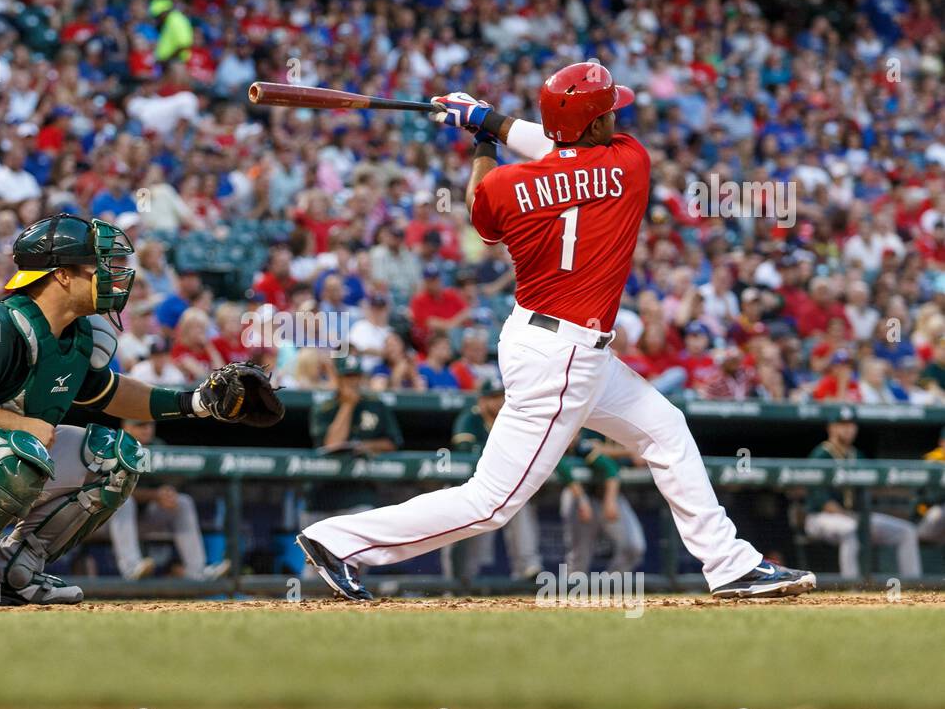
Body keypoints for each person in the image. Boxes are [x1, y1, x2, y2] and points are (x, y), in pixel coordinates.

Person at [295, 62, 815, 601]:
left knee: (666, 431)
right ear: (592, 127)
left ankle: (729, 564)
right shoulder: (630, 162)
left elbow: (488, 205)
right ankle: (339, 541)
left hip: (543, 339)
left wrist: (482, 142)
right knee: (491, 502)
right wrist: (487, 119)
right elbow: (560, 152)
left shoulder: (506, 184)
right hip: (563, 356)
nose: (616, 117)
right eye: (608, 111)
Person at [0, 215, 280, 605]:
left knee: (117, 458)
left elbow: (110, 393)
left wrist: (196, 402)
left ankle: (13, 573)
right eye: (97, 265)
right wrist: (21, 423)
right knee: (19, 450)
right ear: (62, 274)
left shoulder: (77, 331)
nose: (112, 275)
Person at [106, 418, 231, 581]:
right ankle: (131, 568)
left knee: (183, 502)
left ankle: (197, 572)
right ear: (126, 427)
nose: (147, 429)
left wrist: (168, 493)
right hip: (103, 520)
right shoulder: (113, 446)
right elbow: (113, 491)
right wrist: (154, 495)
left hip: (142, 520)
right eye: (140, 425)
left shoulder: (157, 447)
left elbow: (171, 480)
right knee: (124, 502)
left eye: (150, 424)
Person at [442, 379, 542, 582]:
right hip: (466, 486)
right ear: (482, 400)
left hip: (500, 485)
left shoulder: (511, 420)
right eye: (493, 397)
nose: (498, 402)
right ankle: (455, 583)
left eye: (501, 397)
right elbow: (465, 450)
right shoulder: (470, 418)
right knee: (464, 541)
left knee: (520, 504)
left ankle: (528, 568)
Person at [802, 408, 920, 579]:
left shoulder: (857, 455)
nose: (848, 429)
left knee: (906, 531)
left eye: (851, 425)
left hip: (855, 516)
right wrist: (856, 518)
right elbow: (823, 502)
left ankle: (913, 586)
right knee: (851, 529)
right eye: (842, 425)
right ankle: (852, 588)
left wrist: (860, 518)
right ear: (831, 428)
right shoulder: (820, 456)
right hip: (819, 519)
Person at [302, 355, 402, 536]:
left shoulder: (376, 405)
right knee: (317, 563)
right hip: (323, 494)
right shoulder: (324, 408)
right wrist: (348, 405)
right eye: (347, 377)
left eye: (355, 376)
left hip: (359, 492)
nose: (352, 382)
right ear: (338, 379)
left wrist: (365, 445)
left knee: (358, 557)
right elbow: (332, 444)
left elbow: (392, 441)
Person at [556, 431, 646, 574]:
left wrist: (610, 500)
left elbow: (610, 466)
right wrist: (628, 452)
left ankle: (607, 589)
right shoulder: (583, 422)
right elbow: (589, 450)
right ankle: (572, 593)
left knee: (633, 547)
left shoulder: (627, 421)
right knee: (578, 559)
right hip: (580, 495)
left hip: (607, 493)